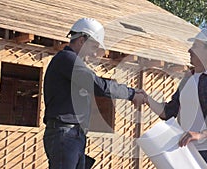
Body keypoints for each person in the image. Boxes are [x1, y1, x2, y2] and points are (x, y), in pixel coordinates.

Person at [43, 18, 144, 169]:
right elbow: (98, 85)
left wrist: (132, 92)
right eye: (94, 46)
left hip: (72, 134)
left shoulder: (72, 62)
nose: (95, 52)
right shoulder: (67, 59)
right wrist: (131, 94)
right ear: (82, 40)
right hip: (65, 134)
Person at [141, 28, 207, 169]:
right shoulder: (187, 79)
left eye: (195, 46)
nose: (189, 50)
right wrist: (147, 99)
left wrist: (200, 135)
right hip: (183, 152)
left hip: (206, 156)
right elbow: (168, 112)